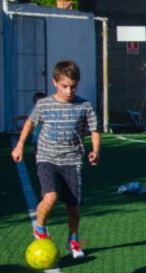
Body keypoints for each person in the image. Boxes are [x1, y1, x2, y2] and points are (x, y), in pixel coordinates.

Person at [11, 60, 100, 259]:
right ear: (55, 82)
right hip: (46, 157)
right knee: (50, 197)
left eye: (73, 86)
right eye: (64, 86)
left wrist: (95, 151)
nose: (69, 91)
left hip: (72, 160)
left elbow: (95, 130)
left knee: (73, 207)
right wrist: (19, 145)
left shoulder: (84, 106)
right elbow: (29, 124)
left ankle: (73, 240)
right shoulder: (44, 104)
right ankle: (40, 229)